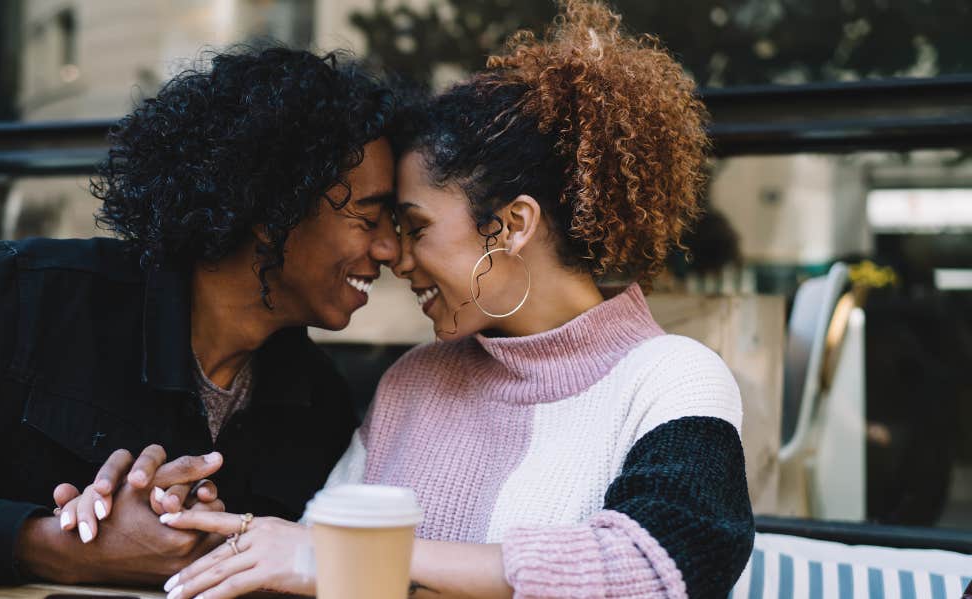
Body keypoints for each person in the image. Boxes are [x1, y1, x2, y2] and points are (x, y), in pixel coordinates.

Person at [124, 3, 753, 597]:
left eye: (415, 227)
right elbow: (310, 559)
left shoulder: (671, 378)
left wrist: (357, 558)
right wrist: (192, 530)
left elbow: (663, 566)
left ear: (512, 225)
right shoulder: (414, 381)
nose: (395, 257)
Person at [0, 46, 400, 586]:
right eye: (369, 218)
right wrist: (47, 545)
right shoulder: (13, 300)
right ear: (273, 207)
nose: (390, 250)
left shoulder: (317, 404)